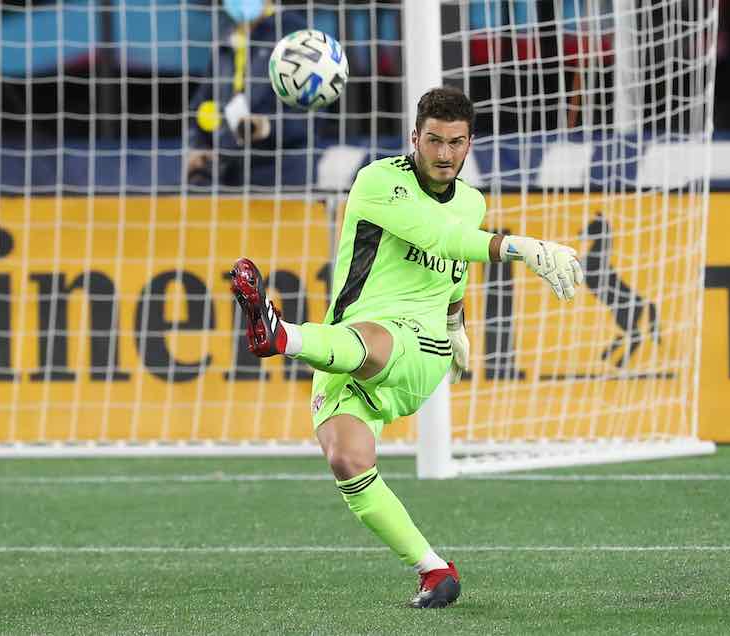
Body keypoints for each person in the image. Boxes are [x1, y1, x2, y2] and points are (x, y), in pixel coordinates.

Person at [229, 86, 584, 608]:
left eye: (456, 143)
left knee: (379, 337)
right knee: (347, 459)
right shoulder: (378, 181)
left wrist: (457, 323)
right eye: (434, 141)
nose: (444, 154)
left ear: (469, 144)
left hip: (416, 350)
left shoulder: (471, 200)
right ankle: (434, 570)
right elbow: (438, 238)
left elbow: (454, 266)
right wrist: (518, 247)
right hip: (345, 348)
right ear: (414, 137)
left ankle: (279, 335)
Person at [185, 0, 308, 188]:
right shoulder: (227, 35)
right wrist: (199, 146)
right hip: (233, 174)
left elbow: (313, 114)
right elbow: (202, 101)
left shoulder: (293, 33)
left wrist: (266, 127)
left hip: (284, 175)